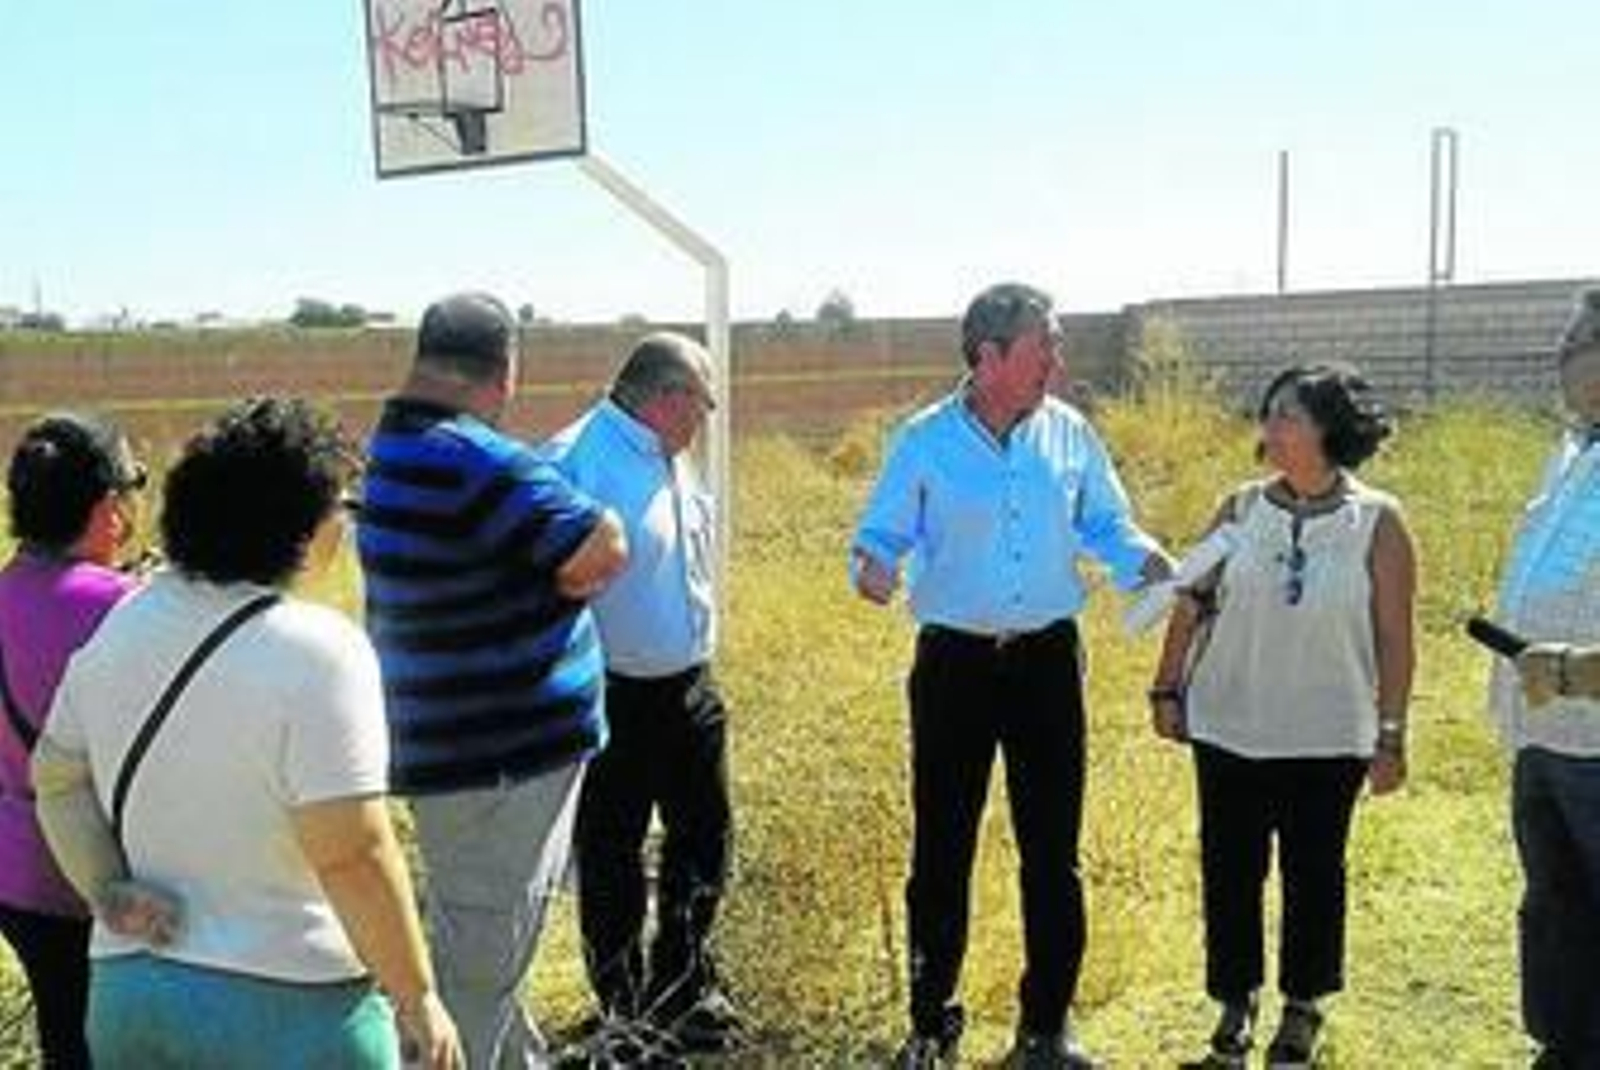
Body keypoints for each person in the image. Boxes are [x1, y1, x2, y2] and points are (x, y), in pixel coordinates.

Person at [31, 397, 461, 1068]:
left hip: (131, 995)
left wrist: (106, 887)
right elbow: (352, 852)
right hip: (290, 1007)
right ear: (299, 524)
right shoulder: (322, 651)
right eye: (342, 507)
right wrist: (418, 994)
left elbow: (53, 776)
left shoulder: (124, 622)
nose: (345, 527)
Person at [850, 282, 1173, 1070]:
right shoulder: (924, 440)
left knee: (1053, 851)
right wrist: (874, 564)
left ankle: (1046, 1028)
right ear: (988, 356)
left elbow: (1106, 520)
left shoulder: (1068, 435)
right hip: (955, 666)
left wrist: (1145, 559)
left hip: (1047, 665)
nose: (1056, 363)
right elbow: (881, 532)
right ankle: (931, 1027)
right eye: (1044, 347)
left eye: (1056, 346)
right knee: (943, 848)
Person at [356, 292, 629, 1068]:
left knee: (480, 951)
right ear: (505, 370)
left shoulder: (404, 442)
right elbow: (599, 550)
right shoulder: (471, 456)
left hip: (460, 756)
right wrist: (591, 535)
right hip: (499, 766)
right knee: (478, 970)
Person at [1147, 363, 1415, 1069]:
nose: (1270, 427)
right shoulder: (1237, 510)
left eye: (1288, 415)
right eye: (1269, 413)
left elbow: (1396, 638)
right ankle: (1234, 1005)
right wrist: (1166, 687)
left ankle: (1303, 1008)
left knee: (1314, 874)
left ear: (1330, 429)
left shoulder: (1378, 523)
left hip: (1328, 735)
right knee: (1229, 871)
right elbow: (1190, 599)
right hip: (1229, 724)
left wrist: (1390, 735)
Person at [544, 332, 738, 1055]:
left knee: (704, 836)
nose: (707, 416)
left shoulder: (671, 456)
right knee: (613, 850)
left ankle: (683, 985)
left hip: (690, 684)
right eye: (702, 401)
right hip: (612, 691)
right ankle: (624, 1010)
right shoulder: (572, 462)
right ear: (666, 397)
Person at [0, 412, 145, 1067]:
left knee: (67, 1036)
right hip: (100, 873)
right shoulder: (126, 606)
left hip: (14, 871)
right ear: (108, 507)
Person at [1488, 286, 1600, 1068]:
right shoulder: (1572, 451)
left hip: (1593, 737)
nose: (1566, 353)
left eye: (1582, 339)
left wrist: (1567, 667)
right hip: (1540, 733)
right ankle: (1563, 1047)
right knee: (1555, 906)